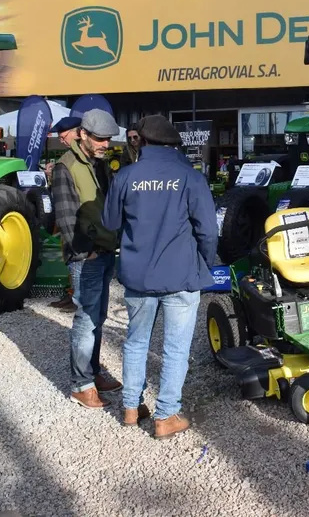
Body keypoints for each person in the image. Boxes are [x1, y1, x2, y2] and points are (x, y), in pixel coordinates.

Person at [102, 115, 218, 439]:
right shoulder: (190, 178)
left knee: (136, 342)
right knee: (175, 349)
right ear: (174, 143)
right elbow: (208, 230)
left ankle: (130, 407)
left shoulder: (125, 176)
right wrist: (203, 263)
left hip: (138, 276)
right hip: (181, 275)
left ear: (144, 141)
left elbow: (110, 222)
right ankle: (166, 416)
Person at [51, 108, 123, 408]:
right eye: (99, 138)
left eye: (107, 139)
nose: (105, 143)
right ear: (82, 134)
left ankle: (92, 372)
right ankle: (81, 384)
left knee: (98, 317)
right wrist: (84, 252)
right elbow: (67, 218)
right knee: (86, 319)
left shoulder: (100, 163)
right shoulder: (65, 167)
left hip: (105, 250)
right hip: (88, 256)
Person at [45, 115, 83, 311]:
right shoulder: (67, 160)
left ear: (78, 133)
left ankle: (76, 297)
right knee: (68, 258)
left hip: (77, 219)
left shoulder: (77, 160)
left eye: (63, 136)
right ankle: (71, 294)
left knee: (75, 260)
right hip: (69, 218)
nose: (61, 140)